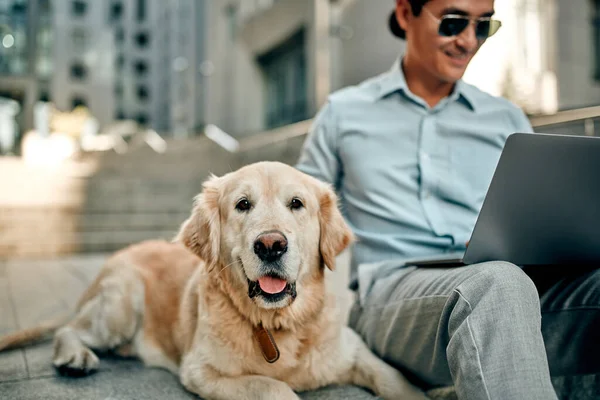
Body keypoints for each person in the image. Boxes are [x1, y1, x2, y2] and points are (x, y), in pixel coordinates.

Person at [296, 0, 600, 399]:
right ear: (406, 14)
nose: (468, 41)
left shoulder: (505, 119)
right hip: (392, 292)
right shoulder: (343, 113)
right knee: (497, 285)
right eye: (454, 23)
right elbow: (296, 217)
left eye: (483, 26)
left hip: (507, 280)